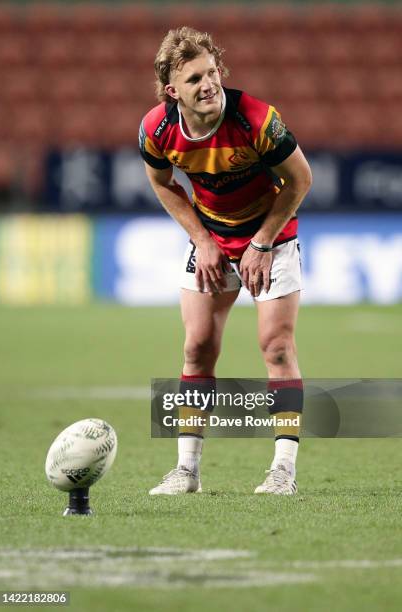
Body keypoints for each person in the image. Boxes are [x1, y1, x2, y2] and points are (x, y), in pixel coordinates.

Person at [139, 27, 312, 495]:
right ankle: (187, 471)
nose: (209, 84)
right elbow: (162, 184)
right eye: (195, 78)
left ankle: (283, 472)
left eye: (212, 72)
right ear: (174, 91)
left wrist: (261, 243)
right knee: (197, 347)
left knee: (276, 347)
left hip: (269, 236)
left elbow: (300, 181)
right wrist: (201, 238)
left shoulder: (256, 119)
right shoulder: (157, 129)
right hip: (213, 237)